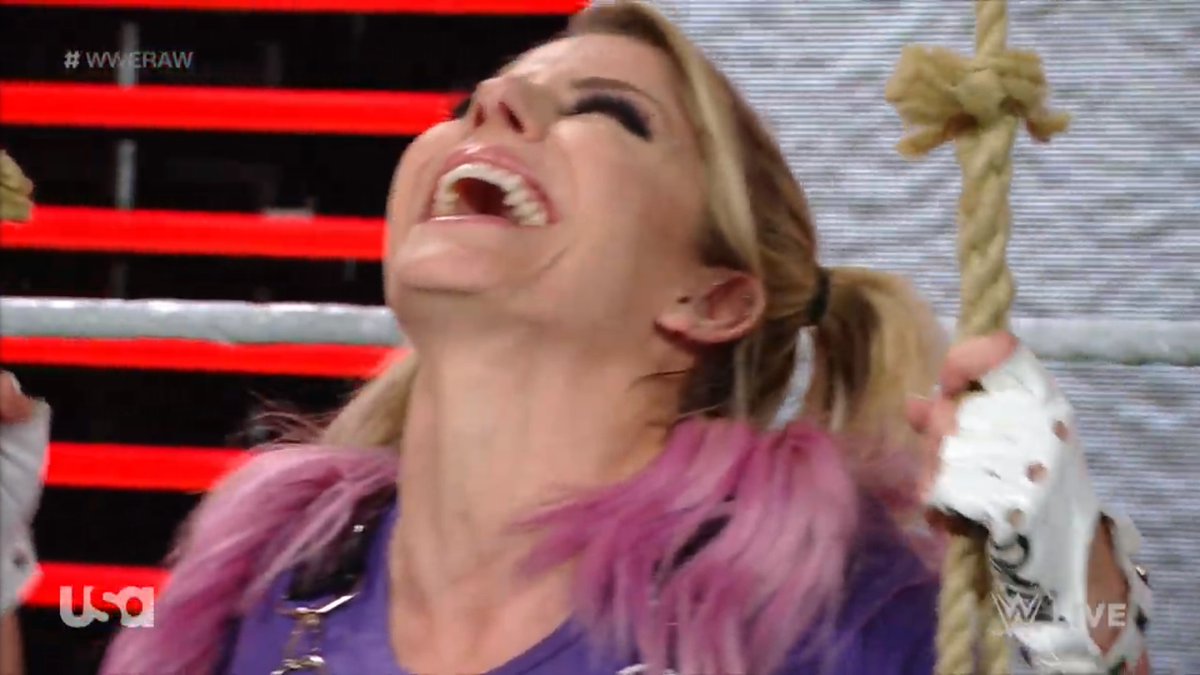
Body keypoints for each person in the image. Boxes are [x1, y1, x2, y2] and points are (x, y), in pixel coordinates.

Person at [6, 2, 1152, 673]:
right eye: (469, 102)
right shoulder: (261, 588)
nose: (488, 109)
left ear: (712, 299)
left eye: (605, 113)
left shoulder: (827, 618)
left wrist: (1072, 608)